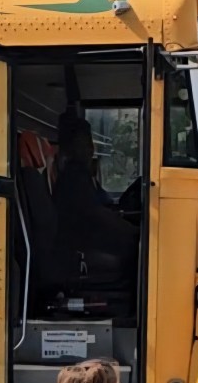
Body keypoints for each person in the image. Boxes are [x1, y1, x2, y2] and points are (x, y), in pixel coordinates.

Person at [52, 113, 138, 268]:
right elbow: (97, 215)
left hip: (89, 238)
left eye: (90, 142)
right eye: (83, 144)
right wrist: (132, 231)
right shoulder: (73, 178)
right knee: (135, 252)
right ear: (69, 147)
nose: (90, 149)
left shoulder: (83, 175)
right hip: (81, 246)